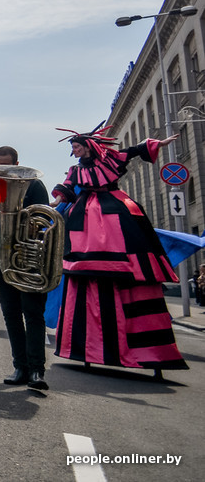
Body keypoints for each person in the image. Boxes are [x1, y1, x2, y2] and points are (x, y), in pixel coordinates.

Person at [51, 127, 187, 373]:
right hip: (85, 219)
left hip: (117, 210)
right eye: (72, 147)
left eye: (76, 146)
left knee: (131, 235)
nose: (74, 150)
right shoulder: (75, 170)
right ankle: (89, 348)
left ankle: (133, 263)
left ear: (88, 146)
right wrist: (54, 203)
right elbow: (66, 190)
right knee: (83, 263)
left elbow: (133, 151)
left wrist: (160, 143)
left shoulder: (110, 160)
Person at [0, 146, 52, 389]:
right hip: (2, 256)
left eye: (7, 167)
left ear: (17, 164)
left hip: (29, 258)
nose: (2, 172)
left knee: (33, 313)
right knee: (10, 314)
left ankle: (37, 370)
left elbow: (46, 220)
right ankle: (21, 367)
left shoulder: (34, 185)